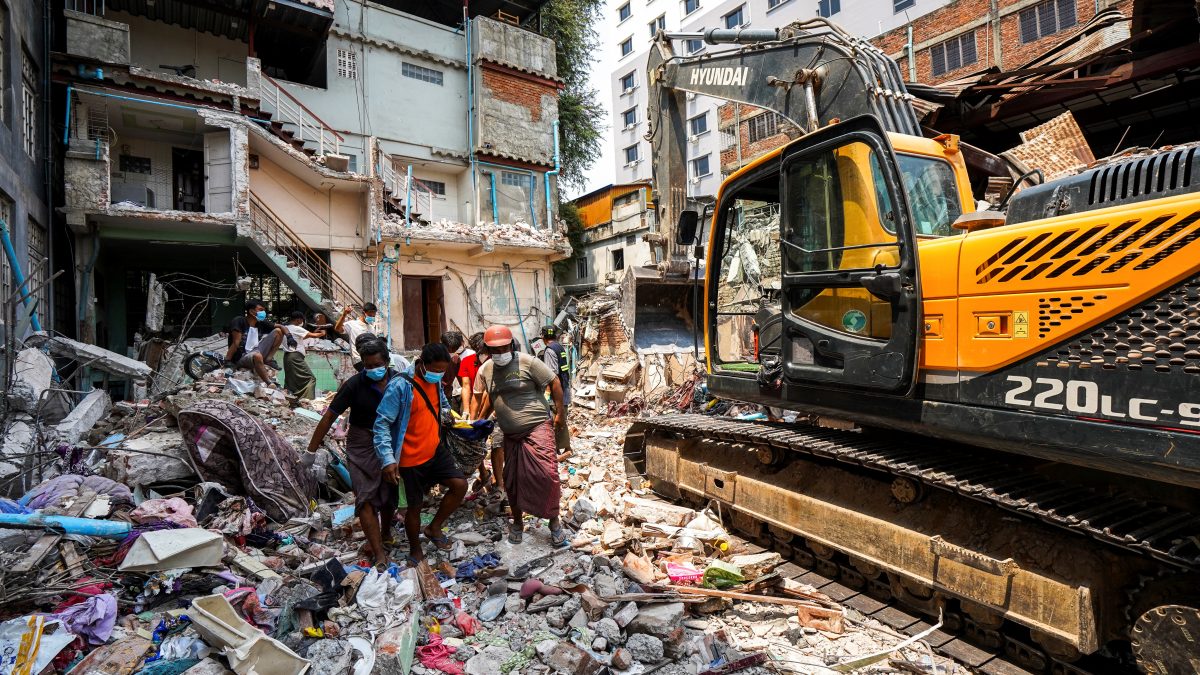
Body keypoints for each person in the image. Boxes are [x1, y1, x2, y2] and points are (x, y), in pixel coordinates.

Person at [306, 336, 397, 568]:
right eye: (368, 366)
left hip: (392, 443)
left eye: (377, 365)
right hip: (361, 444)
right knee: (365, 498)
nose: (373, 370)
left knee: (389, 495)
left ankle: (386, 533)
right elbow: (329, 416)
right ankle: (379, 554)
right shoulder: (355, 384)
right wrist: (311, 450)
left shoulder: (399, 382)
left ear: (386, 362)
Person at [474, 325, 568, 546]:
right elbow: (491, 395)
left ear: (511, 345)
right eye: (493, 350)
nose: (499, 354)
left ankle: (554, 522)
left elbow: (554, 382)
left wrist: (560, 415)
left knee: (546, 474)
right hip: (511, 435)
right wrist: (481, 419)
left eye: (503, 348)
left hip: (537, 427)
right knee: (512, 479)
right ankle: (517, 522)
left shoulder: (529, 362)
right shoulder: (486, 369)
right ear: (487, 350)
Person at [374, 343, 468, 564]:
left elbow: (441, 403)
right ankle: (415, 550)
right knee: (414, 507)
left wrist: (451, 416)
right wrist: (387, 459)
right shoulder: (400, 386)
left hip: (434, 449)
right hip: (410, 458)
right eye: (435, 370)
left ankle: (434, 528)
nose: (438, 375)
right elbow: (382, 424)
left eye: (442, 371)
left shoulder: (434, 383)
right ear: (421, 364)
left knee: (460, 485)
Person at [226, 300, 286, 385]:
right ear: (251, 311)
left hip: (256, 350)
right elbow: (236, 343)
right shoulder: (239, 321)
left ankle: (268, 359)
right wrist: (228, 360)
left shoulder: (261, 323)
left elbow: (280, 326)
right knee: (257, 355)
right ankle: (269, 383)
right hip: (243, 356)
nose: (263, 312)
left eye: (264, 310)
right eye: (260, 310)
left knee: (278, 331)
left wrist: (289, 337)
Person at [538, 324, 572, 458]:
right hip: (565, 388)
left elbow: (552, 376)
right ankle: (564, 447)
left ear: (543, 337)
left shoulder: (549, 350)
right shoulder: (559, 347)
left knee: (555, 420)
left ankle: (560, 449)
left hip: (557, 392)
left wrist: (547, 394)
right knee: (561, 418)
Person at [283, 311, 324, 399]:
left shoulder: (286, 328)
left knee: (291, 381)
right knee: (310, 379)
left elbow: (302, 337)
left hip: (287, 357)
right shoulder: (296, 328)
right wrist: (322, 333)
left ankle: (291, 399)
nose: (302, 322)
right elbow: (313, 335)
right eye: (302, 320)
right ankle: (307, 401)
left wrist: (315, 332)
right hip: (295, 357)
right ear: (298, 320)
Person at [334, 303, 379, 370]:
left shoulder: (372, 328)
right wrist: (344, 314)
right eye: (370, 315)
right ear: (364, 313)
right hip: (358, 359)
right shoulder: (352, 324)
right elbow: (338, 329)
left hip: (370, 359)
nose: (372, 317)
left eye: (373, 316)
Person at [439, 331, 465, 413]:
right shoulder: (432, 356)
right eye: (448, 349)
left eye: (453, 349)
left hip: (446, 396)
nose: (450, 351)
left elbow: (462, 381)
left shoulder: (456, 359)